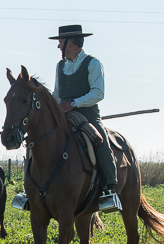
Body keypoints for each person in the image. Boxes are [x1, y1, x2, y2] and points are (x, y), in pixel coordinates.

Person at [50, 24, 120, 212]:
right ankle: (32, 190)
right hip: (64, 115)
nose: (58, 46)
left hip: (88, 115)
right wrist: (51, 105)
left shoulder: (93, 63)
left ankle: (109, 190)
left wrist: (73, 104)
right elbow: (57, 94)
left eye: (60, 42)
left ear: (70, 44)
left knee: (101, 141)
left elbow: (98, 93)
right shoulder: (60, 65)